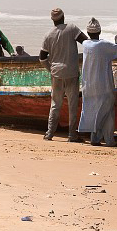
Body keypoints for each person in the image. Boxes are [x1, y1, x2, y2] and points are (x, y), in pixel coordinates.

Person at [78, 18, 117, 146]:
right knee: (107, 112)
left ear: (88, 32)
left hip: (88, 85)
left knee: (95, 111)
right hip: (103, 85)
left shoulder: (85, 44)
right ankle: (107, 140)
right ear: (100, 31)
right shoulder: (103, 45)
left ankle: (97, 139)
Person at [40, 8, 87, 142]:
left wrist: (51, 69)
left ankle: (49, 134)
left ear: (52, 19)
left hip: (56, 73)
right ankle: (72, 135)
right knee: (72, 104)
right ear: (63, 17)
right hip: (71, 72)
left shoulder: (48, 35)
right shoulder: (71, 28)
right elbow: (86, 42)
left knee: (55, 104)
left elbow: (42, 58)